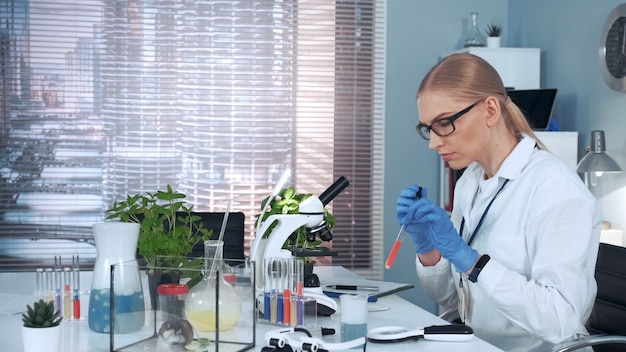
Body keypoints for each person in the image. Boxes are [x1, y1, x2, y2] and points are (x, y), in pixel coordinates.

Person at [397, 53, 601, 352]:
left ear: (490, 110)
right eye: (428, 128)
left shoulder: (556, 187)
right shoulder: (471, 181)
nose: (433, 142)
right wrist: (429, 249)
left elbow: (561, 320)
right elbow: (452, 300)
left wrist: (473, 262)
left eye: (444, 123)